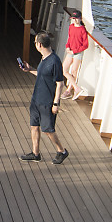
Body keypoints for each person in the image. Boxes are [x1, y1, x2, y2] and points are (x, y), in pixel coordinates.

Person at [19, 32, 67, 164]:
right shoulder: (44, 58)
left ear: (39, 45)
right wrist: (30, 69)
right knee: (34, 126)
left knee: (48, 130)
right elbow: (42, 74)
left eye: (35, 42)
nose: (35, 44)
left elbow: (60, 83)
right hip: (36, 99)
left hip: (47, 102)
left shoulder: (55, 61)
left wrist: (56, 103)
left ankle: (62, 151)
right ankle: (36, 154)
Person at [64, 10, 90, 99]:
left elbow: (85, 45)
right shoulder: (71, 27)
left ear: (80, 19)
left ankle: (69, 90)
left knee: (74, 71)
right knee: (64, 70)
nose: (74, 20)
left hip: (77, 53)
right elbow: (70, 39)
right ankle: (76, 88)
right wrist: (67, 47)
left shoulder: (82, 30)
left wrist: (74, 51)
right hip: (70, 51)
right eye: (73, 18)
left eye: (76, 18)